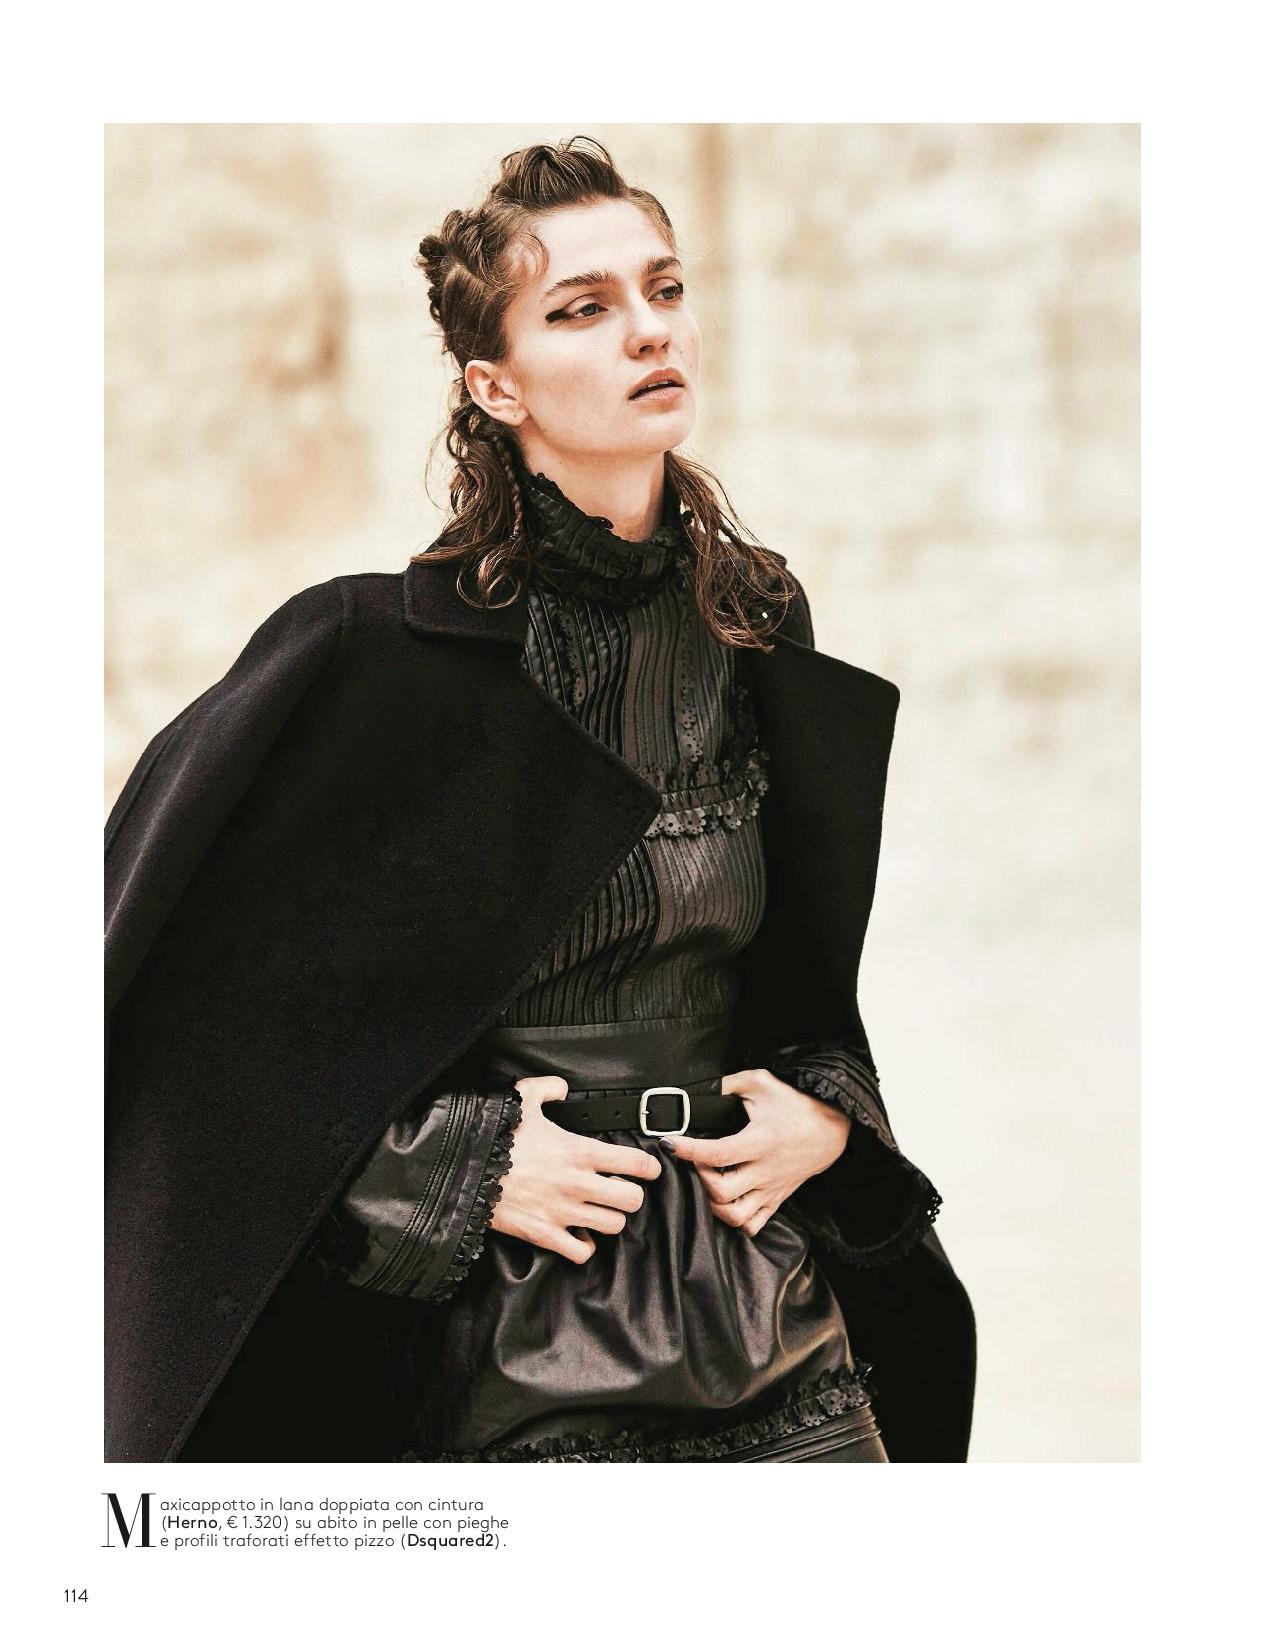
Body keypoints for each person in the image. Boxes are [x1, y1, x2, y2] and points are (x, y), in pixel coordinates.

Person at [105, 136, 976, 1465]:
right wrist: (439, 1168)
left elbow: (793, 982)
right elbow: (171, 1013)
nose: (648, 329)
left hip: (767, 1305)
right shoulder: (373, 657)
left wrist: (824, 1117)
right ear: (493, 384)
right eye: (583, 308)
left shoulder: (752, 623)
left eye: (664, 288)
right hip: (505, 1349)